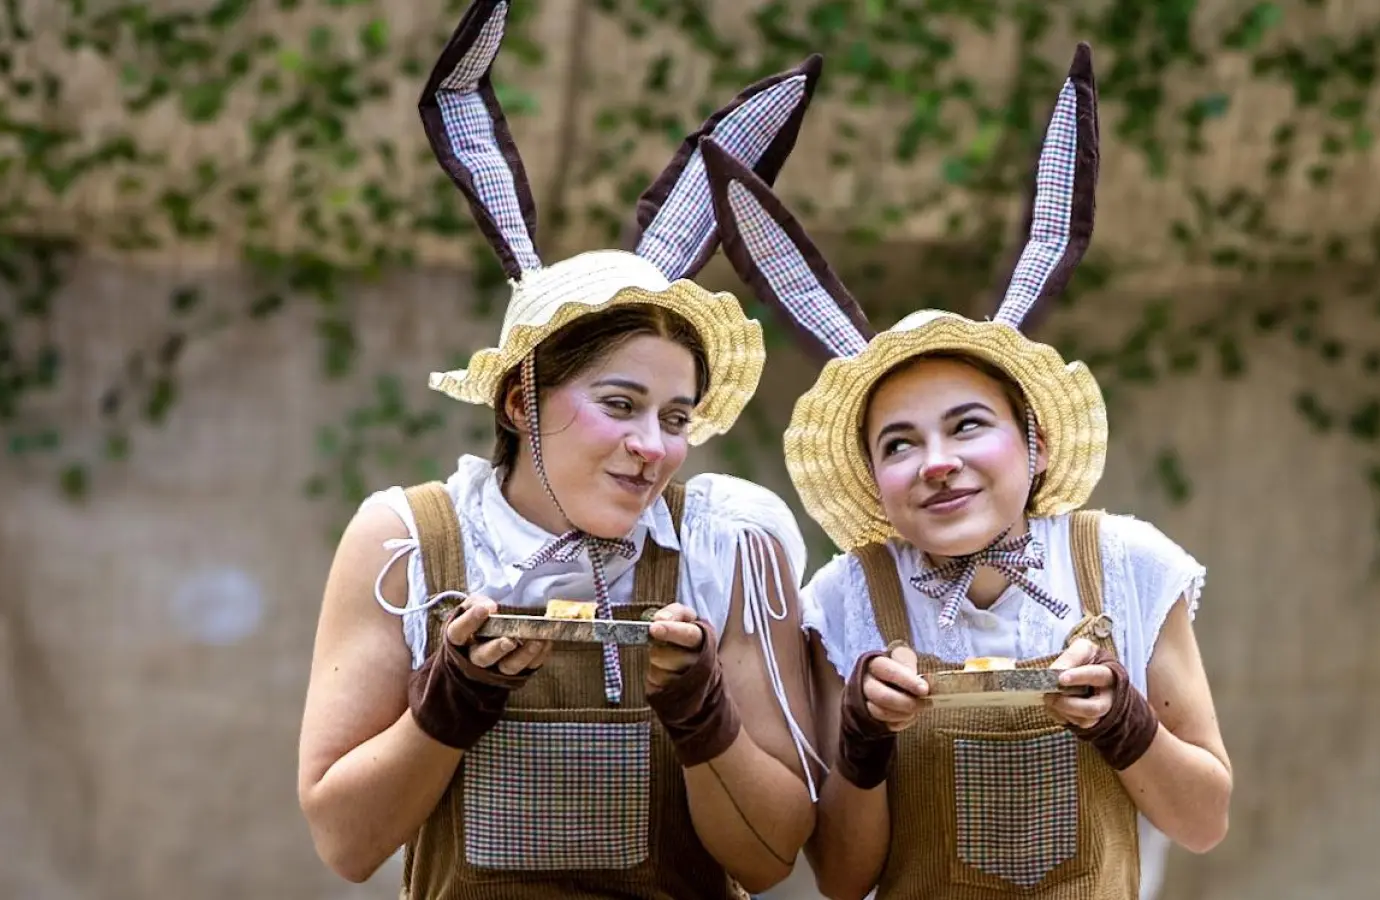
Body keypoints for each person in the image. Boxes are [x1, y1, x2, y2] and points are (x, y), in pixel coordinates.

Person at [296, 3, 827, 897]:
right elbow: (346, 845)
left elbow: (769, 859)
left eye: (676, 416)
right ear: (521, 401)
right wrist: (448, 708)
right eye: (620, 404)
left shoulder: (729, 546)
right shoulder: (407, 542)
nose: (652, 446)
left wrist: (702, 713)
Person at [698, 43, 1232, 900]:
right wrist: (866, 739)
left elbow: (1204, 821)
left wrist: (1127, 725)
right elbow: (839, 878)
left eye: (968, 427)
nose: (937, 463)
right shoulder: (846, 600)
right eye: (899, 444)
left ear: (1039, 446)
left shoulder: (1127, 565)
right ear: (874, 481)